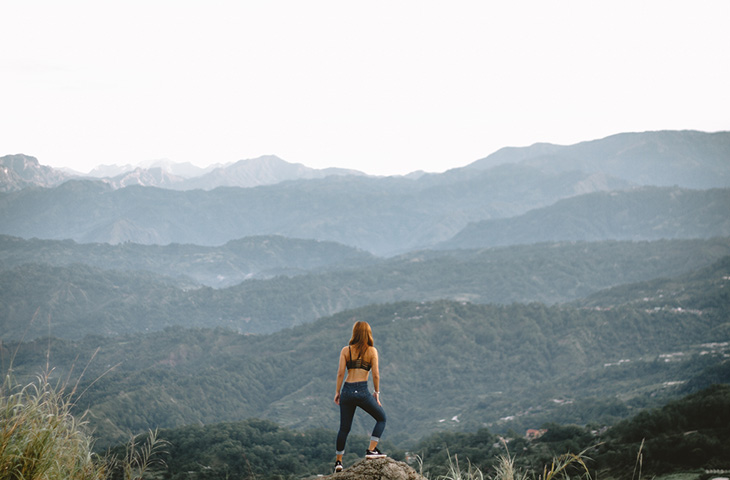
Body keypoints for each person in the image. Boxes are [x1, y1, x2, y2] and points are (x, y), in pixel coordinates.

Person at [333, 320, 387, 473]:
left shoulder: (346, 350)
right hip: (362, 391)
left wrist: (337, 392)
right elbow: (375, 374)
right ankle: (371, 450)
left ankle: (338, 462)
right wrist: (376, 393)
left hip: (347, 390)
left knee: (344, 428)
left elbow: (340, 373)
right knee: (381, 418)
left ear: (354, 333)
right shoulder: (372, 351)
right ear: (368, 333)